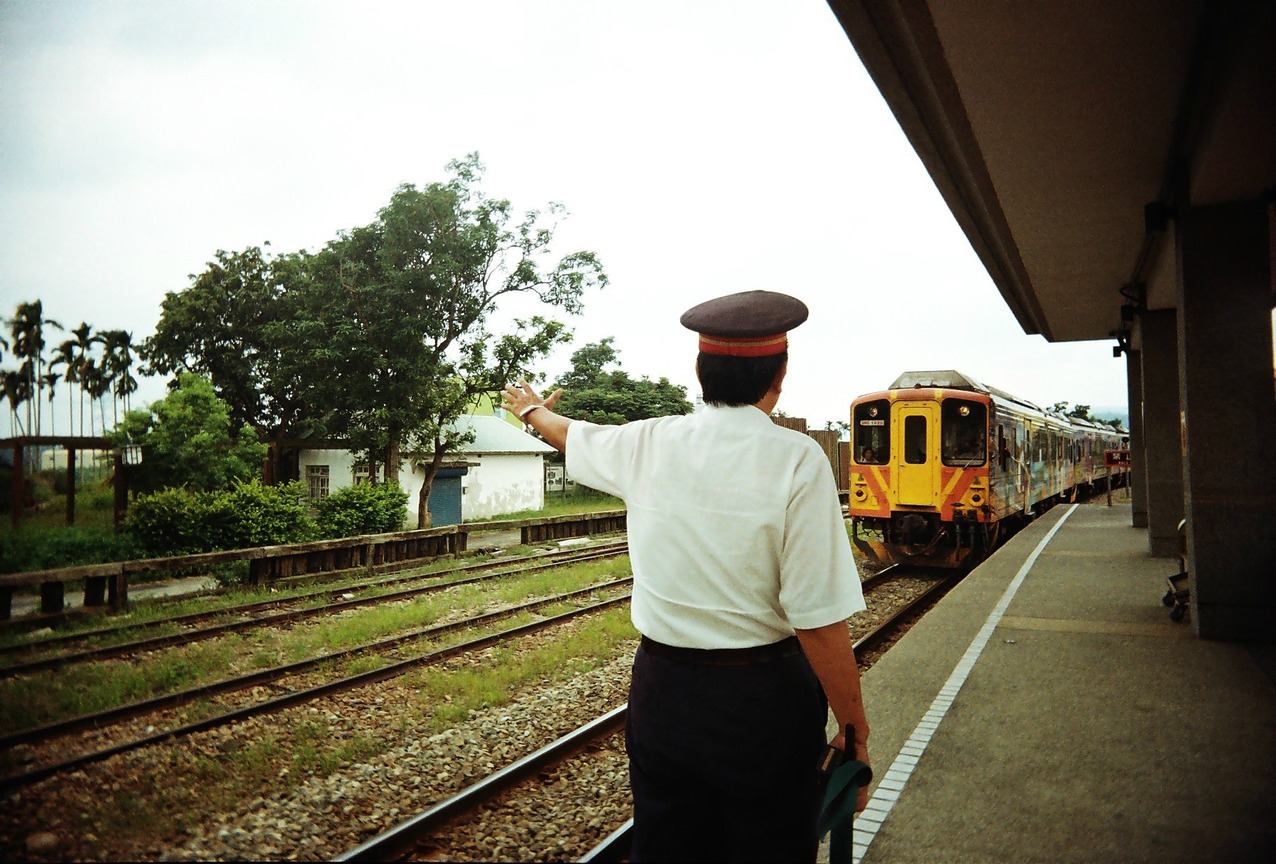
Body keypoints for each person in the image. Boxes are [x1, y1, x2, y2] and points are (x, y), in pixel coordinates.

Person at [502, 289, 870, 863]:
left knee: (668, 847)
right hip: (763, 703)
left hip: (661, 691)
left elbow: (569, 432)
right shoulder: (797, 460)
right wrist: (855, 734)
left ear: (700, 370)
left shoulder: (646, 442)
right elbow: (818, 619)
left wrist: (528, 409)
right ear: (779, 375)